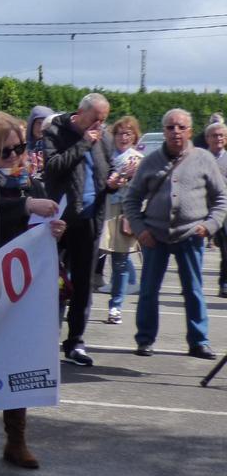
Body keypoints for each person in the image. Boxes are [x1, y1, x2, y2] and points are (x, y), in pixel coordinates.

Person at [0, 113, 65, 469]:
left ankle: (16, 438)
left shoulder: (32, 182)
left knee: (19, 357)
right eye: (6, 150)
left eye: (21, 147)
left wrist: (54, 229)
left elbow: (42, 225)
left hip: (21, 288)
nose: (16, 155)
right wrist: (26, 207)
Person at [124, 109, 227, 359]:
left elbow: (221, 198)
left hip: (191, 235)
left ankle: (198, 341)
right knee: (149, 290)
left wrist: (210, 225)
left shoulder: (203, 159)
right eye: (170, 127)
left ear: (190, 131)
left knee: (193, 289)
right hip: (155, 236)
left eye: (181, 127)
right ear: (164, 132)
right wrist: (140, 230)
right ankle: (145, 339)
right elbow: (132, 199)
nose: (175, 132)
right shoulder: (150, 161)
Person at [42, 93, 111, 367]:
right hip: (61, 220)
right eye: (95, 119)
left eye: (103, 120)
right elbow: (53, 167)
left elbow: (105, 171)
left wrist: (116, 181)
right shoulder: (56, 132)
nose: (99, 125)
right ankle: (44, 339)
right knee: (49, 283)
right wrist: (83, 143)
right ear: (80, 113)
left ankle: (76, 343)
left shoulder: (102, 137)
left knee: (84, 285)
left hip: (91, 219)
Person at [100, 117, 144, 323]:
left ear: (135, 137)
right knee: (89, 257)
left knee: (120, 262)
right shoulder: (105, 155)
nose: (123, 137)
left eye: (128, 133)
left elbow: (142, 190)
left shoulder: (138, 159)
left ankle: (115, 306)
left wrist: (128, 178)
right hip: (102, 209)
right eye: (119, 133)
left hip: (123, 212)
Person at [201, 119, 227, 297]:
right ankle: (190, 282)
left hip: (223, 209)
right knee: (193, 247)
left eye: (221, 135)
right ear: (207, 138)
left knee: (226, 248)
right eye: (214, 135)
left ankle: (224, 282)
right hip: (201, 208)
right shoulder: (200, 158)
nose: (218, 138)